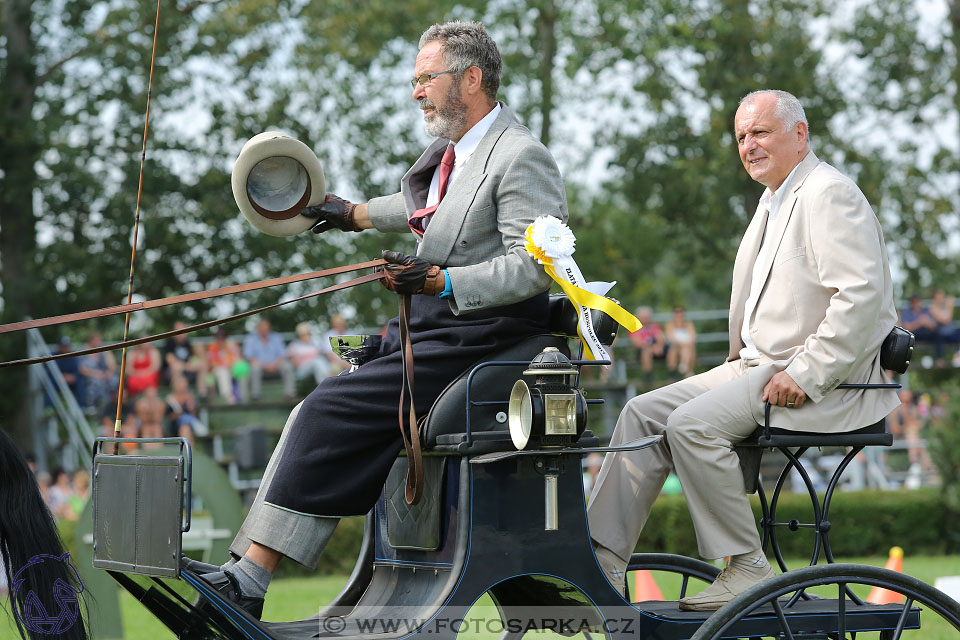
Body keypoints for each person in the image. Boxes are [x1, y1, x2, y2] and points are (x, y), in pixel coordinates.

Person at [191, 21, 568, 619]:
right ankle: (248, 570)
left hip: (483, 338)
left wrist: (440, 280)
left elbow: (532, 269)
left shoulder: (523, 157)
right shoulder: (459, 153)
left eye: (426, 78)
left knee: (323, 409)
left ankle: (251, 579)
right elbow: (428, 210)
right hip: (438, 330)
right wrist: (351, 213)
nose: (417, 91)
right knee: (314, 406)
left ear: (470, 80)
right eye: (415, 79)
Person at [587, 90, 898, 611]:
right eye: (741, 137)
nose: (748, 145)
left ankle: (747, 565)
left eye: (760, 132)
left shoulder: (828, 194)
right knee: (642, 413)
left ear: (800, 135)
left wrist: (807, 371)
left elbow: (862, 297)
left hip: (817, 377)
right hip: (753, 367)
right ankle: (602, 560)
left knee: (691, 424)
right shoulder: (773, 199)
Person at [243, 318, 295, 401]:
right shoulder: (250, 339)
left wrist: (274, 364)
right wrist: (265, 366)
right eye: (262, 328)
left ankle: (290, 395)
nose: (264, 331)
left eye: (266, 328)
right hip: (260, 367)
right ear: (258, 328)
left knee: (287, 365)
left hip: (276, 366)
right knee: (254, 367)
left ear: (269, 328)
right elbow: (249, 357)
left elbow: (283, 355)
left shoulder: (276, 337)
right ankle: (255, 396)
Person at [162, 322, 209, 399]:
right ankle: (179, 397)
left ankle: (202, 395)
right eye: (178, 330)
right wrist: (186, 365)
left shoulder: (187, 343)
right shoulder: (169, 343)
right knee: (176, 368)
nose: (180, 333)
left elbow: (191, 360)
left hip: (185, 369)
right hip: (171, 372)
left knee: (202, 365)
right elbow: (171, 361)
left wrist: (187, 365)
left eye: (182, 330)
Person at [79, 332, 118, 413]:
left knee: (114, 380)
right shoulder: (83, 351)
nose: (99, 342)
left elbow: (112, 365)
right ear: (91, 341)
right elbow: (82, 369)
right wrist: (96, 374)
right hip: (89, 377)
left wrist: (109, 373)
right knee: (96, 383)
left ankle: (112, 404)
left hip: (103, 375)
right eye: (97, 340)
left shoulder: (103, 350)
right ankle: (92, 407)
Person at [628, 307, 666, 385]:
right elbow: (637, 343)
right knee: (646, 351)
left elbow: (661, 337)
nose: (645, 319)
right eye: (643, 317)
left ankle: (673, 374)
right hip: (642, 350)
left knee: (673, 349)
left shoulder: (654, 325)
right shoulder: (634, 326)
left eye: (647, 317)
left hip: (657, 349)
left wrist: (659, 346)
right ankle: (648, 375)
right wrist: (652, 348)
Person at [206, 328, 245, 404]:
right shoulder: (212, 347)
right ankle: (228, 397)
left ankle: (242, 397)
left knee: (242, 373)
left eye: (222, 338)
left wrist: (230, 365)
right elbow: (211, 363)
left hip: (233, 370)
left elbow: (239, 359)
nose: (220, 341)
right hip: (217, 371)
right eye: (218, 338)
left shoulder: (232, 345)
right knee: (222, 371)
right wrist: (225, 365)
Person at [166, 374, 204, 443]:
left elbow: (194, 414)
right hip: (176, 425)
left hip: (188, 425)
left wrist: (191, 408)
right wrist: (179, 413)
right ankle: (195, 424)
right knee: (184, 425)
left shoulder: (190, 397)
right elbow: (170, 417)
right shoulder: (170, 399)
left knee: (186, 427)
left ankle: (189, 452)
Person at [665, 306, 697, 378]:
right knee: (676, 349)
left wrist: (686, 344)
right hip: (675, 346)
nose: (679, 314)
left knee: (688, 348)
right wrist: (682, 344)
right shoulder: (670, 324)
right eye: (676, 312)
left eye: (681, 312)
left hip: (687, 346)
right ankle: (688, 370)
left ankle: (684, 366)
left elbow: (693, 336)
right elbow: (670, 337)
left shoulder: (688, 324)